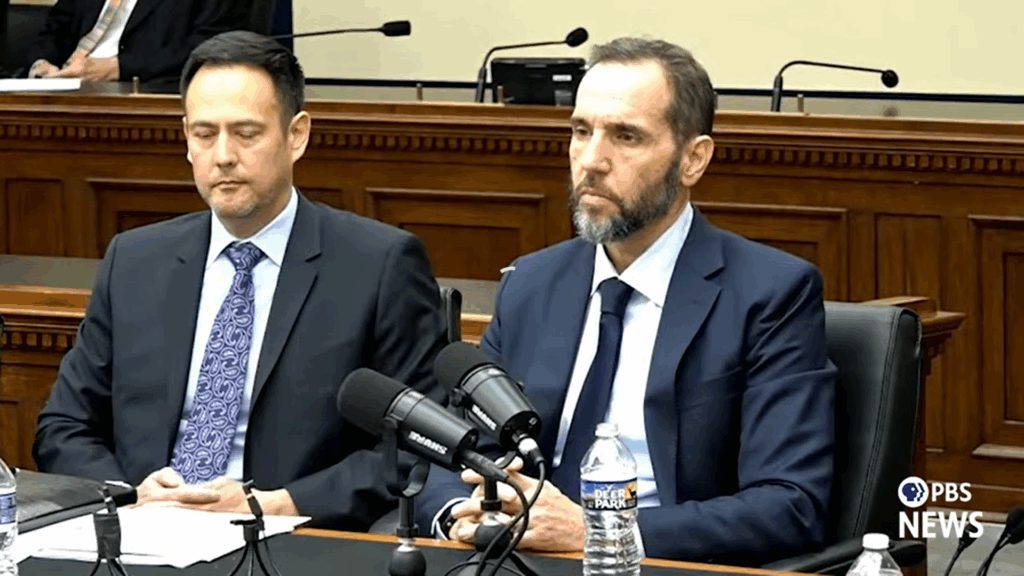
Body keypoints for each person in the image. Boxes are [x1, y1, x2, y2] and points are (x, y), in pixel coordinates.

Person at [416, 37, 837, 566]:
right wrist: (460, 515)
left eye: (626, 136)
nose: (592, 161)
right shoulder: (532, 283)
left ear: (693, 160)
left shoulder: (770, 293)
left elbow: (790, 505)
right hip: (516, 560)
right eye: (580, 131)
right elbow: (454, 449)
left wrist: (595, 530)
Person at [33, 30, 450, 530]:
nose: (223, 155)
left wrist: (275, 504)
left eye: (246, 133)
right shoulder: (135, 260)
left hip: (288, 539)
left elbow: (417, 445)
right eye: (204, 134)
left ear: (297, 135)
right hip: (143, 532)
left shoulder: (378, 265)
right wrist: (131, 496)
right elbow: (64, 426)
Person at [23, 0, 249, 83]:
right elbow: (54, 29)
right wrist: (41, 63)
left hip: (137, 89)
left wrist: (119, 68)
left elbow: (210, 47)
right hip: (61, 87)